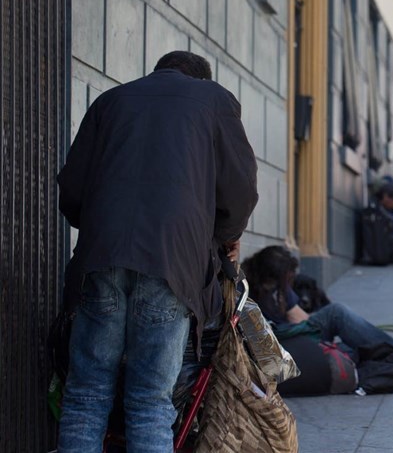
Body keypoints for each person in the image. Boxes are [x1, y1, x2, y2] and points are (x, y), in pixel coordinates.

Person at [56, 51, 258, 452]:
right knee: (150, 402)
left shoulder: (111, 101)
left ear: (158, 72)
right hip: (173, 265)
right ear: (201, 80)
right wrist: (217, 240)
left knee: (85, 395)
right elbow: (240, 192)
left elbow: (73, 190)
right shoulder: (214, 101)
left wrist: (103, 228)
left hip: (102, 260)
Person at [243, 246, 393, 383]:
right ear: (268, 276)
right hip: (281, 348)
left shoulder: (277, 287)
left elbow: (299, 317)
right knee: (338, 315)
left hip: (295, 339)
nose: (288, 283)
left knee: (351, 340)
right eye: (286, 279)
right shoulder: (246, 291)